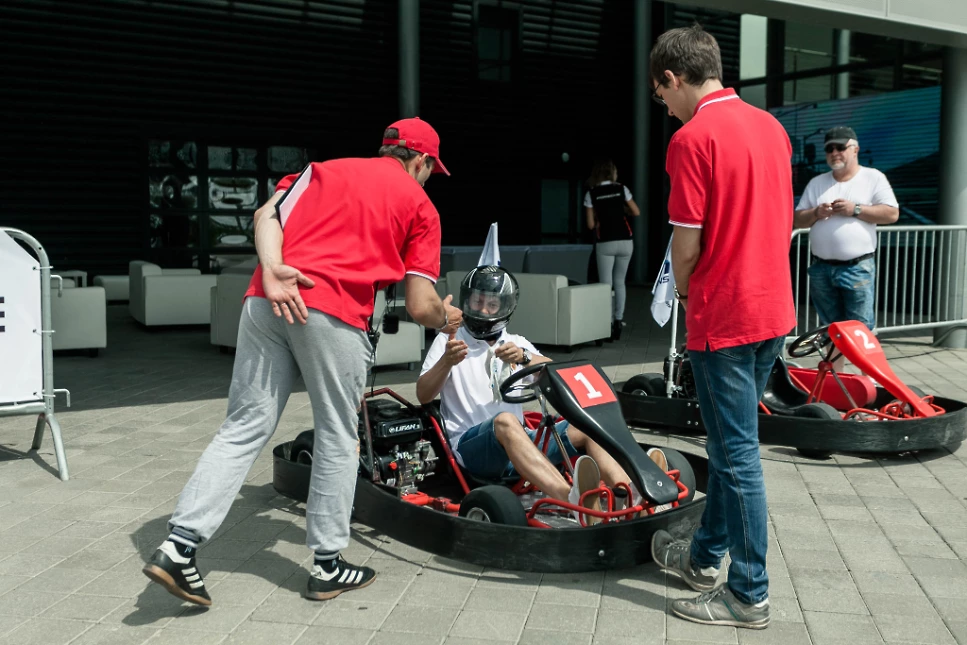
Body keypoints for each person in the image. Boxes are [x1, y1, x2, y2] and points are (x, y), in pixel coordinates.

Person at [142, 117, 463, 606]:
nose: (428, 179)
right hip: (333, 311)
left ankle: (178, 547)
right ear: (420, 160)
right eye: (430, 171)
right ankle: (327, 566)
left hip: (266, 298)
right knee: (337, 434)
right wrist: (446, 318)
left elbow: (264, 216)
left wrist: (273, 269)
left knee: (244, 425)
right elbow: (421, 306)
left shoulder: (322, 170)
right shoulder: (420, 206)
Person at [647, 25, 796, 629]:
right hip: (772, 309)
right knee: (731, 449)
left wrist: (685, 292)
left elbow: (686, 245)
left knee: (736, 457)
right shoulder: (770, 126)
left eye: (662, 95)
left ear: (673, 77)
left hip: (725, 314)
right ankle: (704, 557)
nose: (665, 107)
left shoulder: (692, 138)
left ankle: (748, 593)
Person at [416, 265, 671, 523]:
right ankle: (572, 500)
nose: (483, 310)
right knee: (506, 421)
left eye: (491, 304)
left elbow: (559, 376)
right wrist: (446, 362)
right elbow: (424, 395)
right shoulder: (449, 341)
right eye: (477, 301)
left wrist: (524, 357)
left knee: (584, 427)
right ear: (466, 301)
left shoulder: (516, 343)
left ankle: (629, 492)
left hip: (517, 442)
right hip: (472, 449)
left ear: (504, 307)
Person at [794, 126, 899, 371]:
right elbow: (798, 219)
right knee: (830, 328)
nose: (834, 153)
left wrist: (856, 209)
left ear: (855, 149)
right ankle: (835, 378)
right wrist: (816, 212)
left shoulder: (873, 177)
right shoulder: (817, 182)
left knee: (862, 328)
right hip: (821, 268)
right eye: (829, 149)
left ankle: (869, 379)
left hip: (856, 267)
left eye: (840, 147)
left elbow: (892, 213)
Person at [584, 159, 641, 341]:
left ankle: (606, 324)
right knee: (620, 282)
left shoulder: (591, 194)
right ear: (611, 173)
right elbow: (636, 211)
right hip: (625, 240)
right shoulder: (621, 188)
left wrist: (600, 218)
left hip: (605, 242)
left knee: (606, 284)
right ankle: (618, 320)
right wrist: (622, 211)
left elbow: (590, 225)